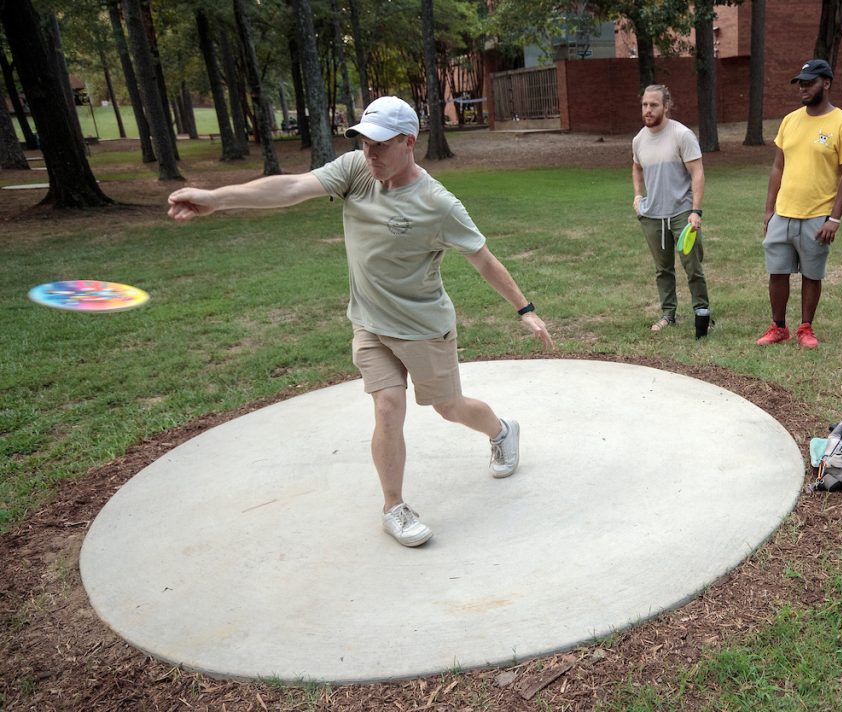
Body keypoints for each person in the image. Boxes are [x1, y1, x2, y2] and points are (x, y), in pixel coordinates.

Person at [167, 96, 553, 547]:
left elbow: (483, 259)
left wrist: (525, 310)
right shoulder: (356, 171)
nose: (369, 153)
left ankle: (502, 431)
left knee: (450, 408)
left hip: (424, 328)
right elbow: (291, 189)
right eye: (364, 142)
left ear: (408, 142)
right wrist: (216, 199)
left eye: (380, 145)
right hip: (369, 323)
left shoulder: (438, 204)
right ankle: (394, 506)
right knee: (388, 407)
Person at [758, 59, 842, 348]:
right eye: (801, 83)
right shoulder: (790, 121)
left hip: (818, 214)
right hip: (784, 211)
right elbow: (778, 167)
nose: (803, 88)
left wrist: (835, 218)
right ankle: (778, 327)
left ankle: (806, 328)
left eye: (810, 82)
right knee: (777, 271)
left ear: (826, 83)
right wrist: (769, 210)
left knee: (811, 273)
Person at [631, 84, 712, 338]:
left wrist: (695, 210)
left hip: (682, 214)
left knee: (692, 267)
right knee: (662, 269)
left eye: (653, 105)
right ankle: (668, 314)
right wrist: (637, 196)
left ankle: (703, 312)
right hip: (652, 215)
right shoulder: (639, 139)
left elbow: (697, 172)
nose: (648, 110)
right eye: (645, 104)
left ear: (666, 106)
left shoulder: (682, 135)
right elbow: (637, 167)